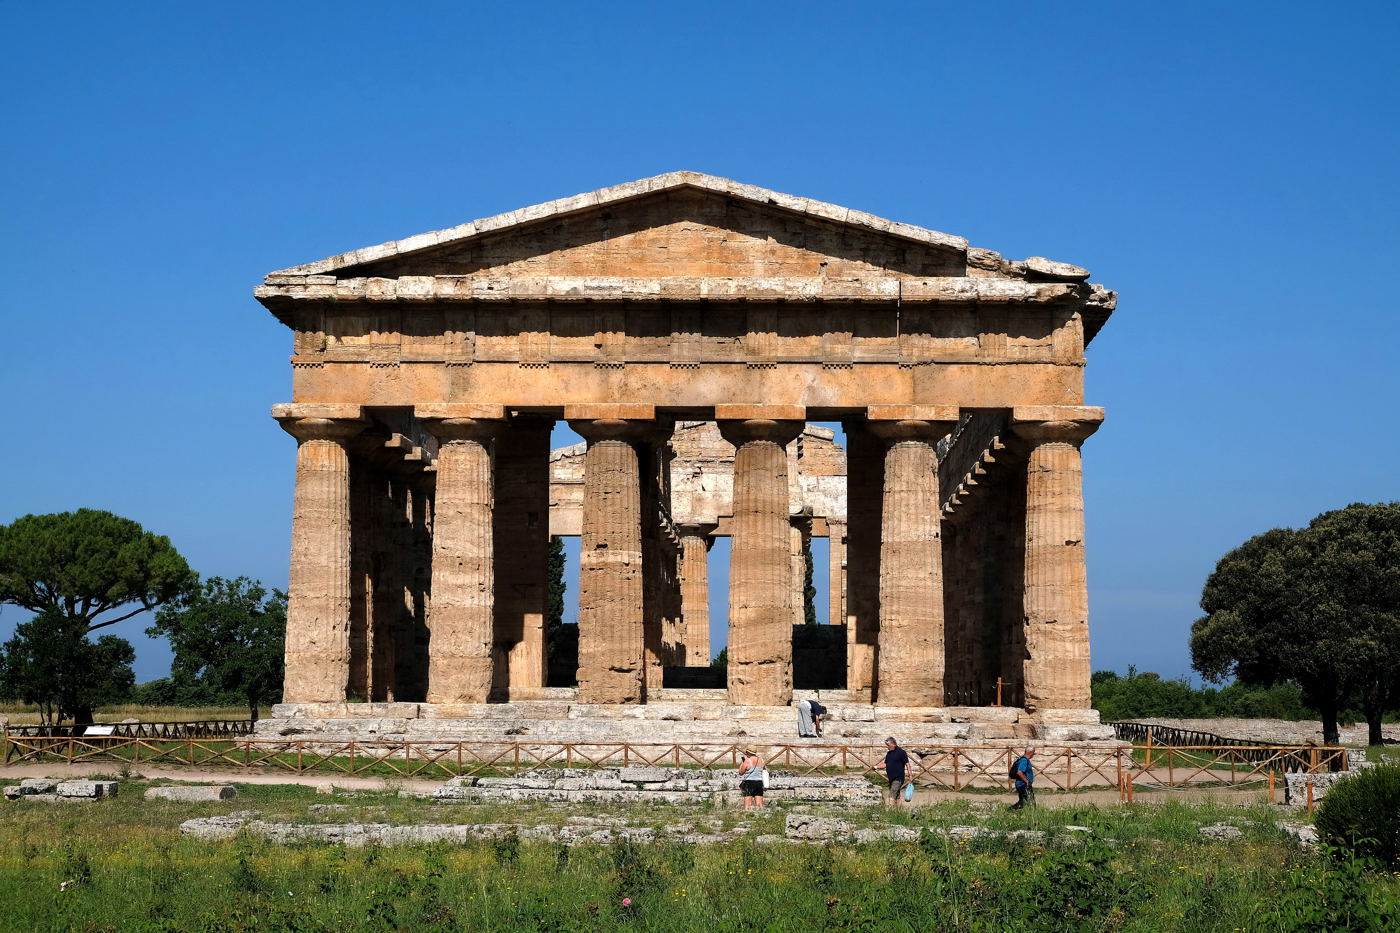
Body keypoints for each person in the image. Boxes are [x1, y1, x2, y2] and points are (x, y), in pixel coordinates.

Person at [882, 736, 909, 805]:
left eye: (888, 745)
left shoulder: (901, 752)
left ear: (892, 744)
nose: (887, 747)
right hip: (891, 778)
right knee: (897, 796)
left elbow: (907, 764)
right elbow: (885, 764)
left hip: (898, 778)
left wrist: (910, 776)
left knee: (892, 795)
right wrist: (875, 767)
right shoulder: (889, 754)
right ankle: (899, 810)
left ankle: (890, 810)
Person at [1010, 745, 1036, 810]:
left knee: (1024, 802)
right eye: (1033, 753)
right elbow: (1019, 772)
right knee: (1029, 802)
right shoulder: (1024, 760)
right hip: (1023, 784)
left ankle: (1010, 811)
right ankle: (1009, 810)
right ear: (1031, 752)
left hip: (1022, 784)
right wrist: (1027, 782)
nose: (1034, 754)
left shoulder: (1024, 760)